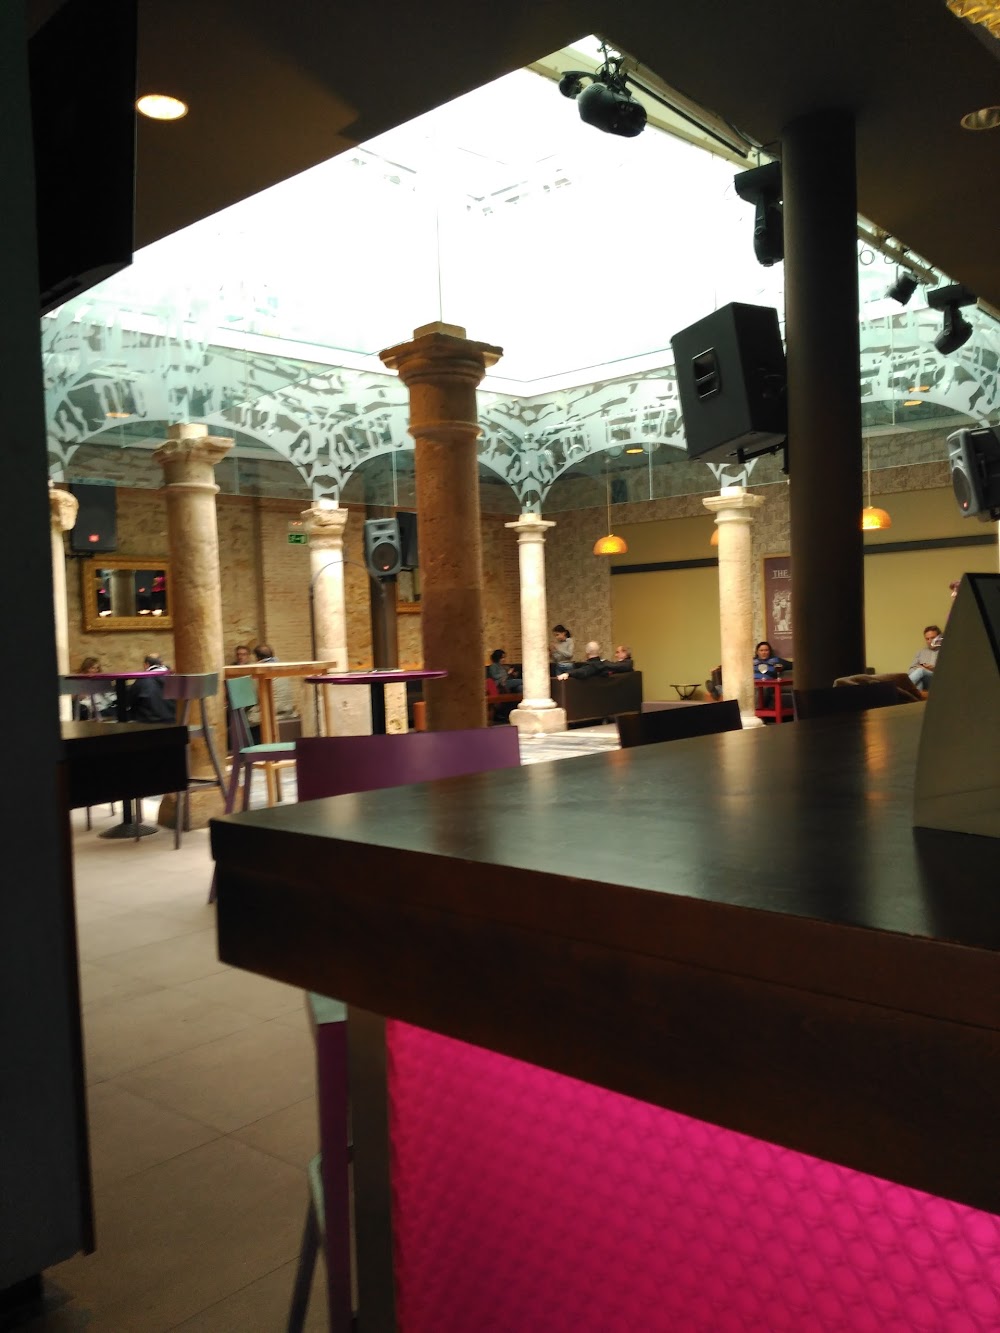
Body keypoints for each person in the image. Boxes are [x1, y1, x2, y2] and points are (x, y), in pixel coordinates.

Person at [126, 653, 174, 722]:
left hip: (149, 722)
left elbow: (130, 701)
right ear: (161, 663)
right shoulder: (173, 678)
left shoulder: (142, 680)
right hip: (173, 720)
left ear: (146, 665)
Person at [74, 655, 115, 720]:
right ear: (86, 668)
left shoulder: (101, 679)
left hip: (104, 704)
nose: (96, 670)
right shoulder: (79, 679)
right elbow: (78, 697)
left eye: (97, 668)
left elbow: (108, 695)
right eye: (92, 668)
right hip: (90, 706)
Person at [753, 641, 789, 711]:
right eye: (761, 650)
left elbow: (793, 664)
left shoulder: (776, 660)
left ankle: (756, 711)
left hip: (768, 684)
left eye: (766, 650)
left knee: (763, 688)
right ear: (757, 652)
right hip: (753, 683)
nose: (764, 652)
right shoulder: (752, 661)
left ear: (769, 652)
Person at [908, 625, 942, 691]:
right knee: (919, 681)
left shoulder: (947, 652)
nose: (930, 641)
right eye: (927, 639)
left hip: (938, 681)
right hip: (925, 681)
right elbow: (911, 669)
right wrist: (920, 668)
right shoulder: (920, 652)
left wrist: (934, 669)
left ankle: (900, 689)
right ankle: (916, 697)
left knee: (921, 671)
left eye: (932, 638)